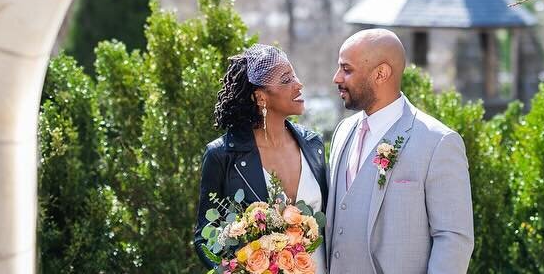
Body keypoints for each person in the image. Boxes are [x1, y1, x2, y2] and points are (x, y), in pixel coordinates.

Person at [325, 28, 473, 274]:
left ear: (381, 73)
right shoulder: (343, 131)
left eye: (347, 69)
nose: (337, 78)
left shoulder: (438, 142)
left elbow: (453, 238)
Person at [195, 44, 329, 269]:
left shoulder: (313, 144)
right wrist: (237, 271)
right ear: (260, 98)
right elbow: (204, 237)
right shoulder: (222, 155)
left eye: (294, 75)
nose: (299, 84)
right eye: (286, 80)